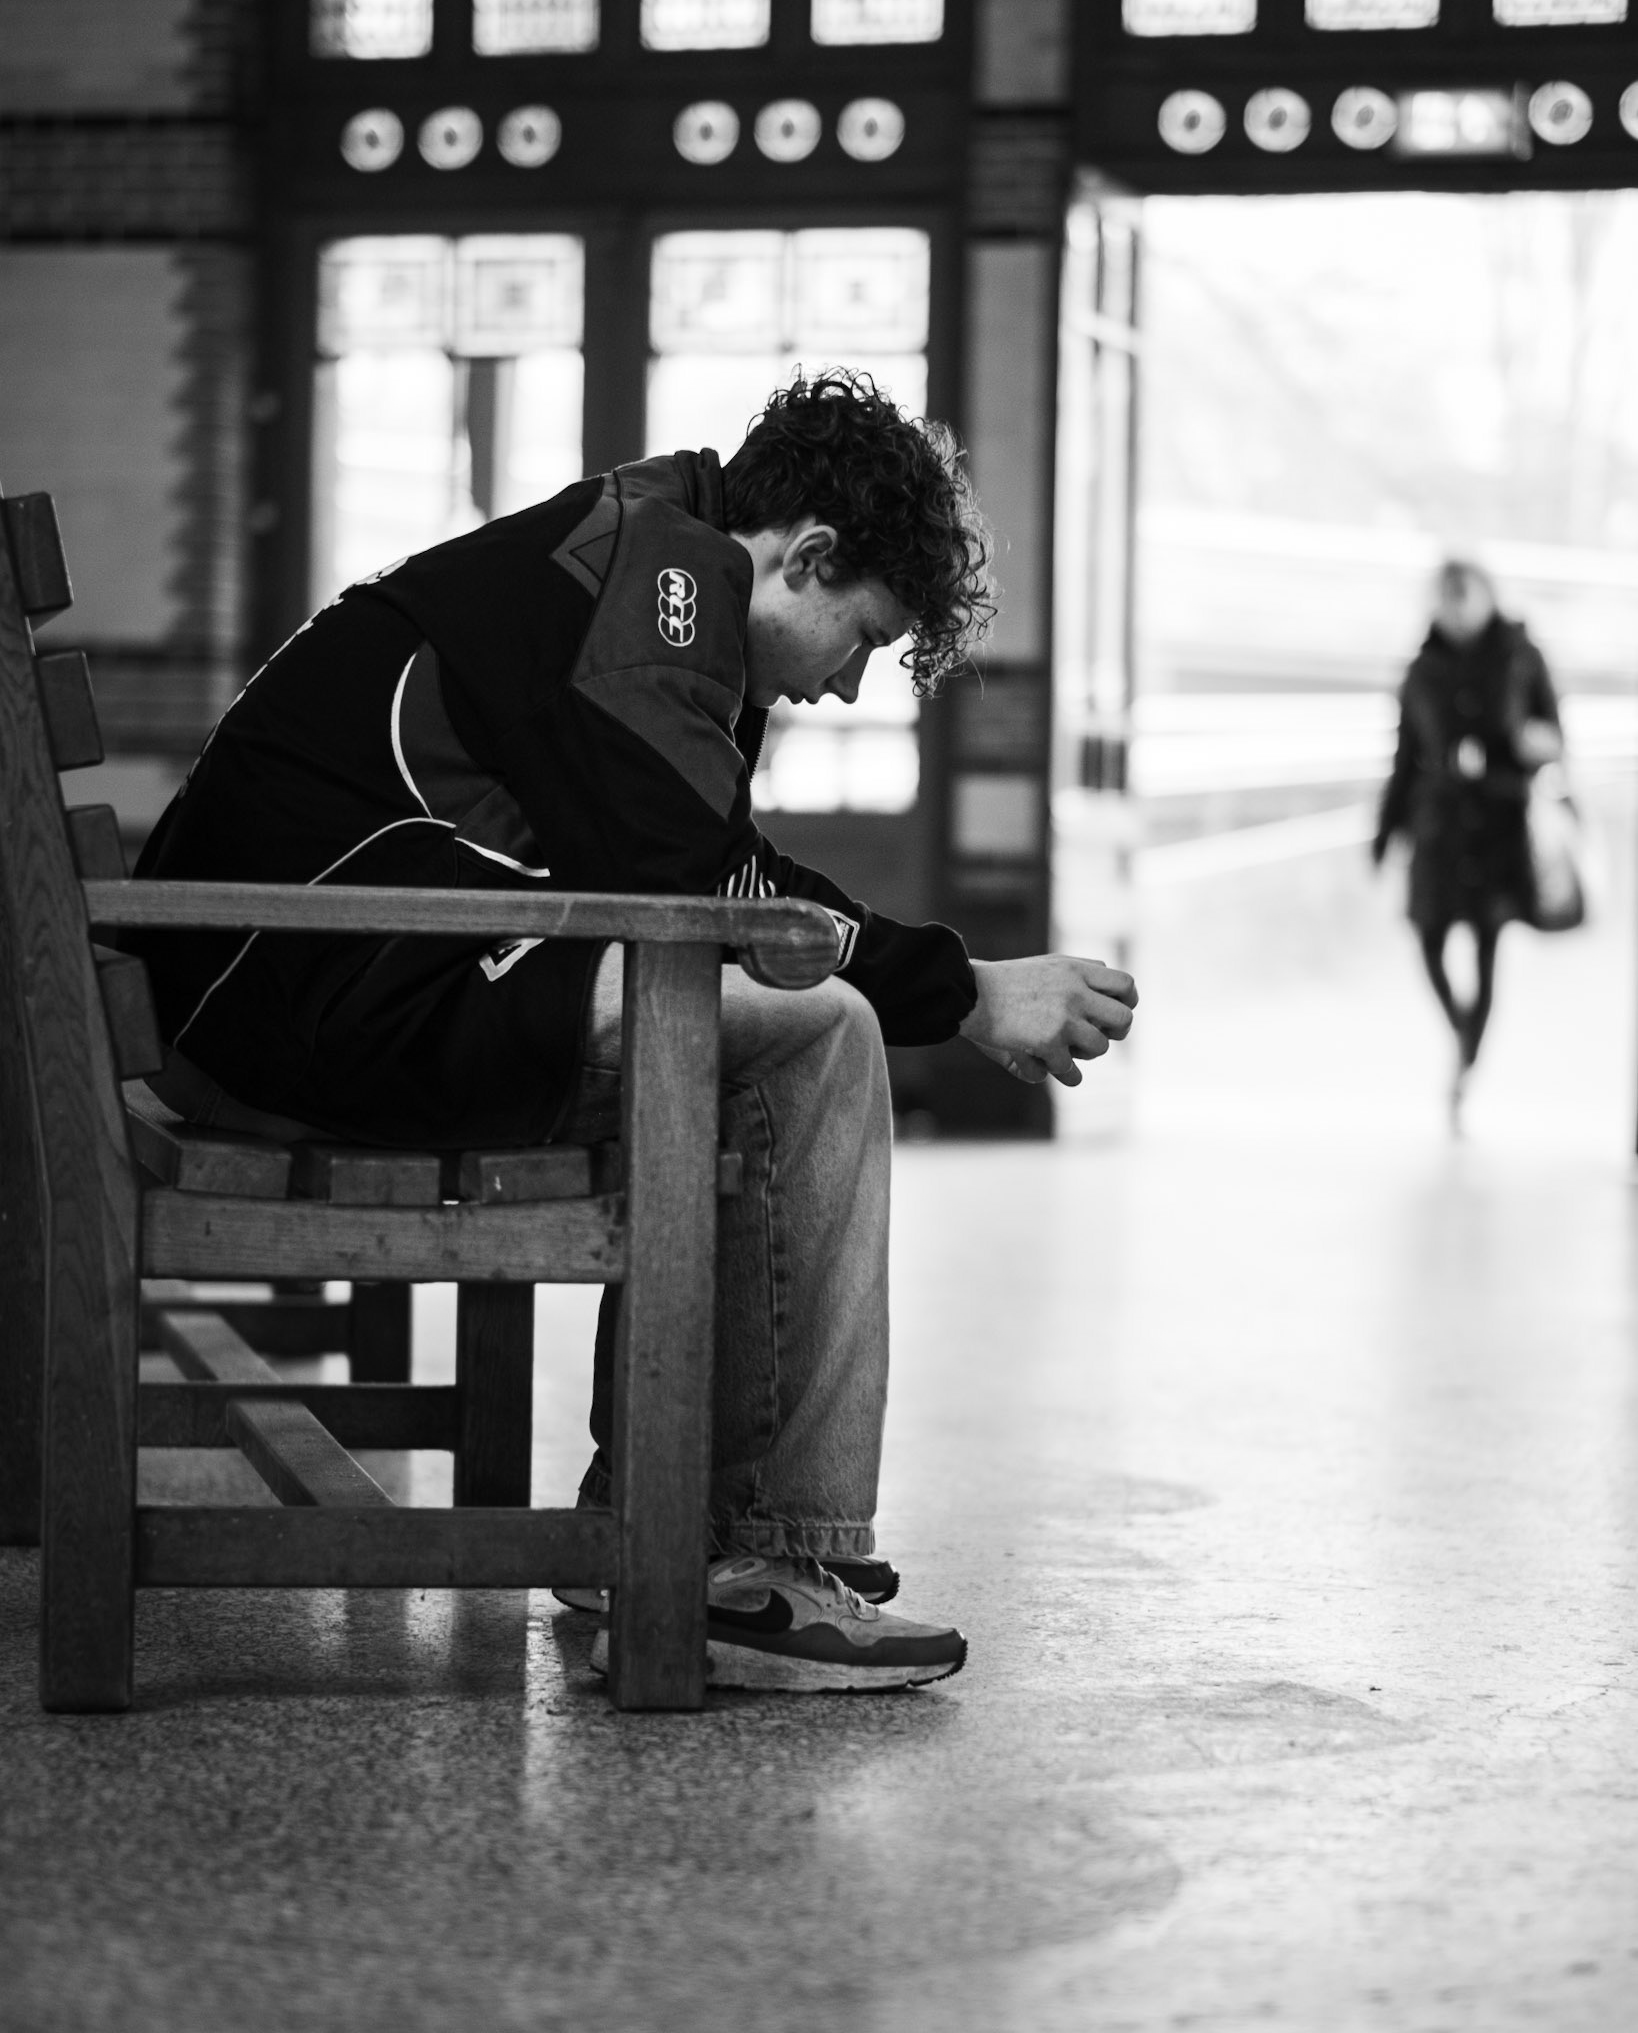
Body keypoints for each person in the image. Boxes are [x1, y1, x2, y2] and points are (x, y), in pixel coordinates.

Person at [130, 371, 1137, 1694]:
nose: (846, 686)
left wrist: (946, 980)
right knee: (815, 1033)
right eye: (861, 638)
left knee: (755, 1032)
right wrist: (967, 992)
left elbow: (696, 867)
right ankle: (759, 1563)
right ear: (806, 556)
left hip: (316, 977)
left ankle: (668, 1541)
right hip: (320, 993)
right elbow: (703, 892)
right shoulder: (658, 585)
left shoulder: (652, 546)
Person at [1372, 557, 1563, 1126]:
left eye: (1464, 596)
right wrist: (1385, 835)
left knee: (1485, 947)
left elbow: (1556, 736)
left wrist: (1522, 746)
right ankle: (1461, 1038)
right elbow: (1404, 760)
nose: (1456, 609)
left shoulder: (1521, 656)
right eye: (1446, 598)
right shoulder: (1421, 669)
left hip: (1501, 824)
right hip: (1439, 825)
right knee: (1428, 936)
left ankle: (1466, 1066)